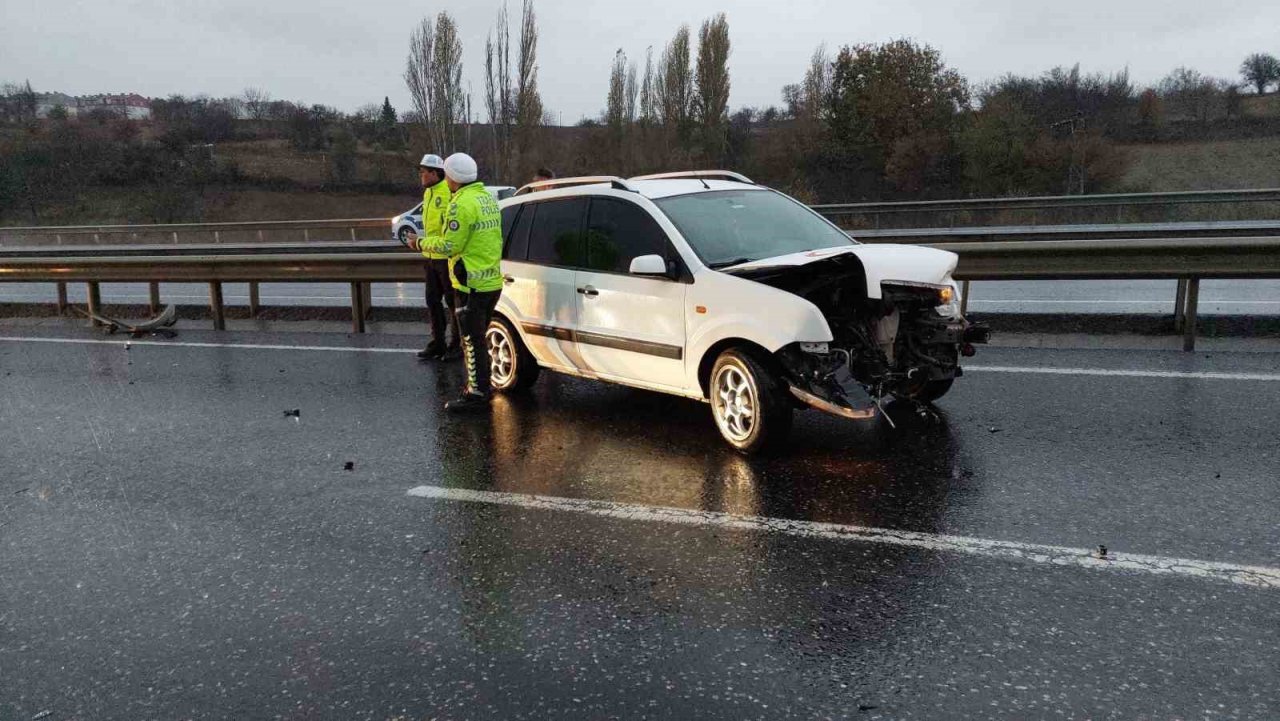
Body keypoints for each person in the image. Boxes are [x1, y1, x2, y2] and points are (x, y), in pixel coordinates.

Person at [419, 153, 505, 412]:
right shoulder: (487, 199)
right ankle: (482, 386)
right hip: (491, 281)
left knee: (472, 340)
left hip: (470, 284)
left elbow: (449, 245)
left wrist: (420, 243)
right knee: (479, 338)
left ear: (452, 177)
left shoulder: (461, 204)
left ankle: (477, 393)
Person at [413, 154, 460, 361]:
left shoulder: (448, 192)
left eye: (423, 172)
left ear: (435, 173)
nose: (421, 176)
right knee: (432, 301)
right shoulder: (428, 194)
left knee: (452, 302)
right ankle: (438, 343)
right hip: (430, 256)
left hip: (446, 257)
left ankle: (456, 345)